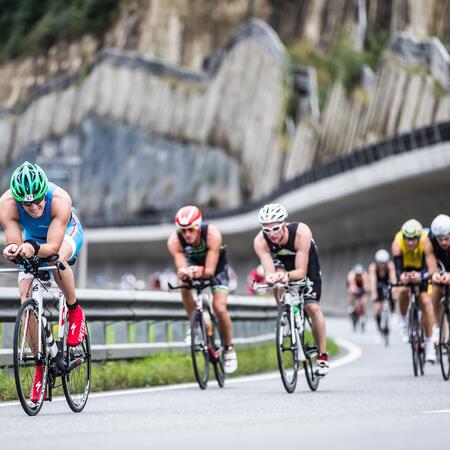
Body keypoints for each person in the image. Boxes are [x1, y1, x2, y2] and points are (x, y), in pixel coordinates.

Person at [0, 161, 86, 403]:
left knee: (57, 260)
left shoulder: (60, 199)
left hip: (65, 232)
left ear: (44, 192)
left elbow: (52, 247)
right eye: (27, 203)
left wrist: (34, 248)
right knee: (26, 306)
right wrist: (15, 249)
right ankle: (40, 366)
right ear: (17, 200)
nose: (34, 206)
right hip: (33, 238)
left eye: (38, 200)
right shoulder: (6, 204)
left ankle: (74, 308)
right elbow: (14, 240)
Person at [253, 203, 329, 376]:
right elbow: (269, 271)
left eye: (276, 228)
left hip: (306, 264)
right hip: (282, 263)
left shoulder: (301, 233)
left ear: (284, 224)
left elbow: (301, 272)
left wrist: (287, 276)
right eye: (266, 229)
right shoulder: (260, 241)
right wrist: (273, 278)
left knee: (312, 307)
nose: (271, 233)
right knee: (276, 282)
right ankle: (285, 316)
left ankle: (322, 357)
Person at [167, 205, 238, 374]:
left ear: (198, 226)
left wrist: (201, 272)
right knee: (183, 285)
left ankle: (229, 349)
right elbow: (182, 267)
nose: (187, 235)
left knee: (219, 308)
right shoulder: (174, 241)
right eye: (183, 231)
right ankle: (195, 326)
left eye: (191, 229)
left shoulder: (212, 234)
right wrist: (185, 273)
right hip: (192, 264)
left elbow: (210, 271)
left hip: (216, 266)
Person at [391, 219, 437, 362]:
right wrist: (401, 276)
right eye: (408, 239)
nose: (410, 243)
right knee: (403, 291)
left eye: (413, 239)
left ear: (419, 237)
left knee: (425, 301)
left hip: (422, 270)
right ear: (403, 237)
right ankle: (405, 323)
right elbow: (397, 268)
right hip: (405, 268)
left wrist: (421, 276)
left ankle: (430, 345)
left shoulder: (425, 241)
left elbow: (432, 268)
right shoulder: (397, 243)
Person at [429, 214, 450, 333]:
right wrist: (435, 274)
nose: (443, 242)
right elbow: (430, 261)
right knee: (435, 290)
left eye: (446, 238)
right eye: (440, 239)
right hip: (440, 267)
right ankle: (439, 331)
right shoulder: (429, 241)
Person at [368, 249, 396, 334]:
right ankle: (379, 324)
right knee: (377, 308)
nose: (383, 265)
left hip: (387, 283)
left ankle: (392, 311)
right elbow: (372, 281)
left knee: (393, 295)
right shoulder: (373, 267)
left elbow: (393, 278)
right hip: (378, 285)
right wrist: (374, 294)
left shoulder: (390, 265)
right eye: (381, 263)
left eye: (384, 263)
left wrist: (394, 290)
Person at [346, 264, 369, 332]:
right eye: (357, 275)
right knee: (351, 294)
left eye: (360, 275)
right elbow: (352, 286)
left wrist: (365, 292)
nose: (359, 276)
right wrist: (354, 290)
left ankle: (363, 315)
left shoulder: (365, 275)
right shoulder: (351, 275)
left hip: (362, 287)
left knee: (363, 301)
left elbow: (366, 285)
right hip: (353, 286)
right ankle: (352, 306)